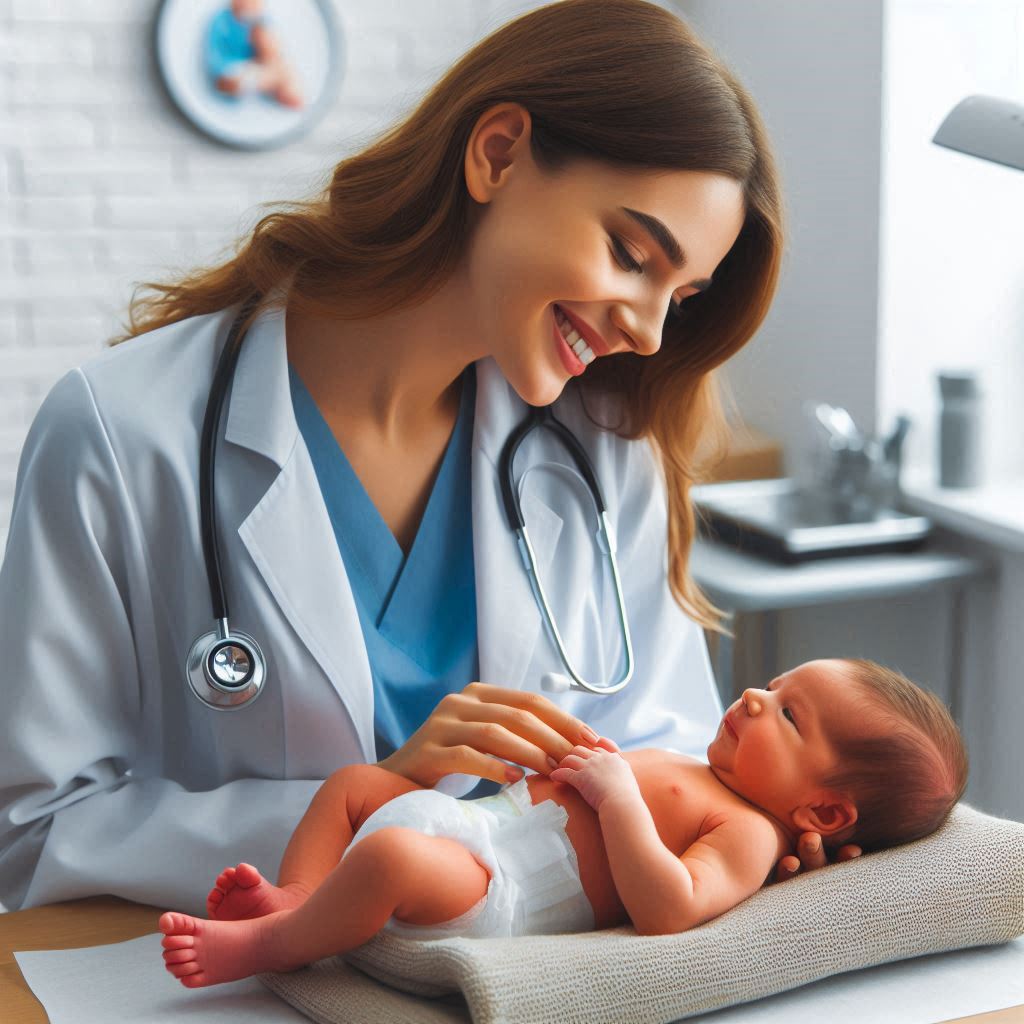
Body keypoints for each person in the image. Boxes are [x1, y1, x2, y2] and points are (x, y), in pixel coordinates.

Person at [0, 0, 858, 917]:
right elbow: (35, 832)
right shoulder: (123, 430)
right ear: (498, 154)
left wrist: (748, 827)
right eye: (629, 253)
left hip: (530, 978)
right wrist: (384, 807)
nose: (647, 333)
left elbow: (671, 744)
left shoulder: (606, 447)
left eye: (678, 299)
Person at [158, 658, 968, 988]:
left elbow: (671, 906)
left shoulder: (751, 834)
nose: (757, 697)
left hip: (495, 890)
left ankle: (268, 948)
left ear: (823, 812)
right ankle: (298, 898)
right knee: (352, 786)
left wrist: (618, 801)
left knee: (390, 860)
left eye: (790, 716)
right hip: (475, 821)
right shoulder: (701, 766)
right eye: (776, 684)